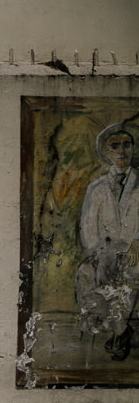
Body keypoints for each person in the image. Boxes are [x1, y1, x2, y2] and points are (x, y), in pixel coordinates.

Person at [76, 122, 139, 360]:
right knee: (89, 273)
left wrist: (137, 242)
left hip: (136, 249)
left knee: (130, 272)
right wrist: (97, 251)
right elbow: (88, 224)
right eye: (115, 146)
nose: (121, 151)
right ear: (107, 152)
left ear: (133, 148)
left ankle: (120, 332)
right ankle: (117, 329)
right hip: (107, 249)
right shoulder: (97, 187)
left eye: (126, 145)